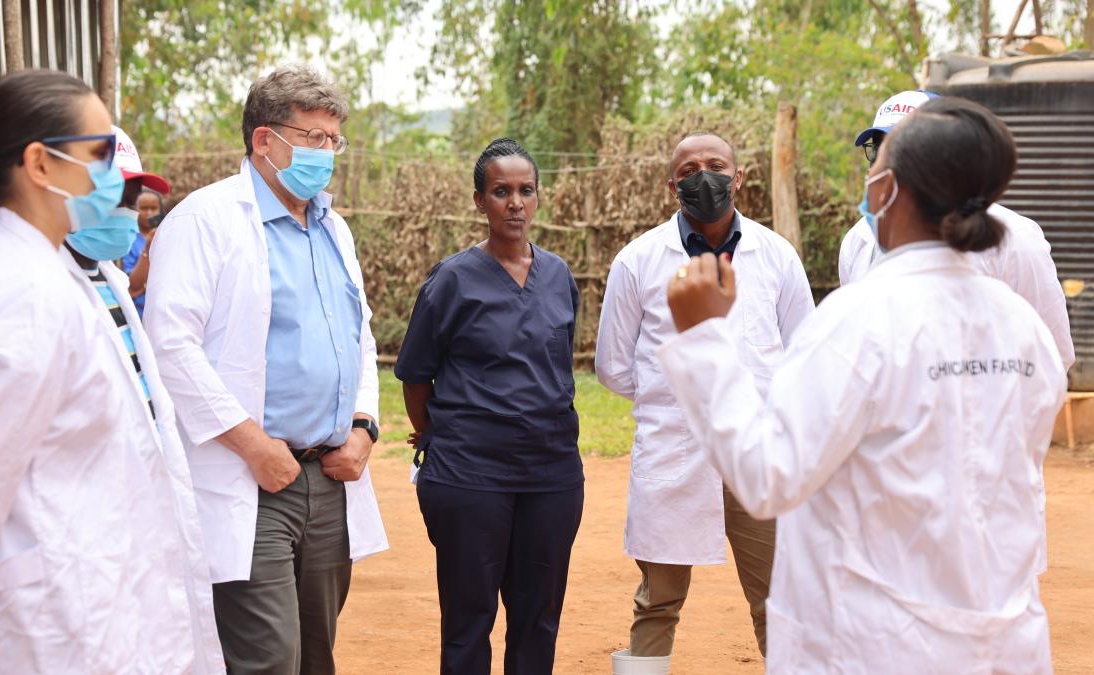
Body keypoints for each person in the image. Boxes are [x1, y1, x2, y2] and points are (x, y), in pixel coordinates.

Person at [661, 97, 1067, 673]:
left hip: (877, 643)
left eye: (877, 166)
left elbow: (766, 475)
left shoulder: (861, 320)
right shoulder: (1019, 323)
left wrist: (703, 338)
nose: (868, 177)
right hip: (1001, 638)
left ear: (890, 191)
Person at [0, 70, 211, 674]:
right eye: (98, 154)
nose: (116, 178)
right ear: (39, 164)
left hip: (64, 604)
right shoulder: (25, 293)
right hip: (48, 624)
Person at [144, 63, 388, 675]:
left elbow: (358, 338)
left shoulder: (334, 229)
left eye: (334, 140)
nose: (327, 153)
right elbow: (170, 345)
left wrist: (364, 429)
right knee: (268, 657)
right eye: (313, 138)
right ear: (264, 140)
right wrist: (253, 446)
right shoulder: (205, 220)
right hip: (253, 479)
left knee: (316, 654)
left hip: (330, 477)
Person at [596, 132, 813, 671]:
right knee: (658, 600)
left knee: (778, 599)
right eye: (689, 169)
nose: (704, 177)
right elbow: (613, 366)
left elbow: (803, 355)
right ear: (673, 186)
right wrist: (674, 402)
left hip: (758, 454)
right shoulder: (639, 261)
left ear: (739, 177)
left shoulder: (777, 256)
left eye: (716, 165)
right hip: (674, 451)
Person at [396, 138, 584, 675]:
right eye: (501, 192)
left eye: (526, 191)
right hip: (469, 477)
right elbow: (415, 376)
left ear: (539, 198)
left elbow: (558, 366)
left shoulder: (559, 277)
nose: (515, 203)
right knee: (468, 618)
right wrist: (443, 437)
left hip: (551, 475)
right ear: (480, 201)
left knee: (538, 618)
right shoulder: (452, 280)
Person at [57, 124, 224, 674]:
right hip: (76, 543)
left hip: (135, 524)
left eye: (137, 198)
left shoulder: (107, 277)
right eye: (119, 195)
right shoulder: (36, 291)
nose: (132, 210)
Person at [839, 90, 1074, 371]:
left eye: (906, 150)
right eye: (879, 148)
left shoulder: (1017, 240)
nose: (887, 165)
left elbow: (1052, 357)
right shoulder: (859, 242)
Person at [123, 186, 167, 318]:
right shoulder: (128, 239)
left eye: (153, 208)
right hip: (138, 311)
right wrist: (147, 249)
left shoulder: (168, 233)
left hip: (163, 310)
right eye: (143, 208)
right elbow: (133, 285)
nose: (149, 213)